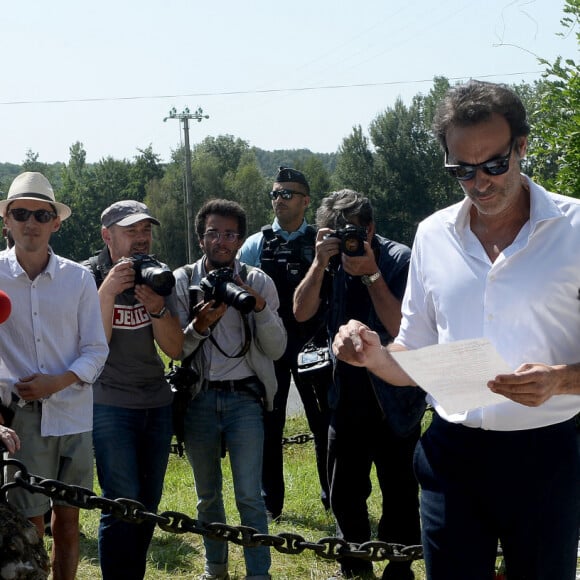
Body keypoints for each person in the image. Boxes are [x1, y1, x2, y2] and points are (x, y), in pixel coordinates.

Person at [332, 80, 580, 580]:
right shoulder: (433, 234)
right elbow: (415, 350)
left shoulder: (575, 229)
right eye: (461, 170)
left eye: (493, 165)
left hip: (547, 453)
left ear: (522, 147)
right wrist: (373, 355)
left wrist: (560, 379)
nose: (480, 182)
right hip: (453, 454)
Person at [294, 189, 425, 580]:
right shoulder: (328, 262)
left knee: (400, 492)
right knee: (344, 492)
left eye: (352, 231)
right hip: (346, 395)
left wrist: (370, 274)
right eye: (335, 232)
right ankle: (354, 566)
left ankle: (399, 568)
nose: (346, 240)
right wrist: (319, 263)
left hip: (395, 396)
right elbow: (301, 312)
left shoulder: (400, 259)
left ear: (370, 228)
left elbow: (404, 326)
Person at [0, 171, 109, 580]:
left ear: (55, 222)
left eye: (41, 214)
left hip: (73, 415)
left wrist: (58, 382)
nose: (32, 223)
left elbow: (97, 350)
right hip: (20, 419)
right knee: (29, 527)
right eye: (22, 213)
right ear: (7, 220)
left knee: (68, 524)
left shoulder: (78, 278)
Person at [174, 199, 287, 580]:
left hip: (245, 398)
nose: (221, 241)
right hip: (199, 398)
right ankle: (215, 568)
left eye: (230, 234)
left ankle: (259, 574)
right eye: (213, 233)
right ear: (200, 237)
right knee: (208, 496)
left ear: (240, 240)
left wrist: (258, 308)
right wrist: (199, 325)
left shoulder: (258, 282)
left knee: (250, 497)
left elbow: (276, 349)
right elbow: (174, 348)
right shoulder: (183, 281)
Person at [82, 200, 184, 580]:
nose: (141, 239)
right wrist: (107, 293)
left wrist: (158, 307)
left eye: (146, 231)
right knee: (120, 503)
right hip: (110, 403)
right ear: (107, 236)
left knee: (148, 506)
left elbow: (175, 348)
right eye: (131, 232)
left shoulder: (158, 276)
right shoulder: (86, 277)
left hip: (156, 403)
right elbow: (92, 344)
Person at [238, 166, 330, 520]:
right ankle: (269, 503)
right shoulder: (256, 245)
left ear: (306, 201)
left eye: (287, 194)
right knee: (270, 423)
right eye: (275, 193)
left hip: (314, 347)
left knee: (322, 424)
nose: (279, 200)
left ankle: (331, 497)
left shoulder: (320, 243)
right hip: (270, 346)